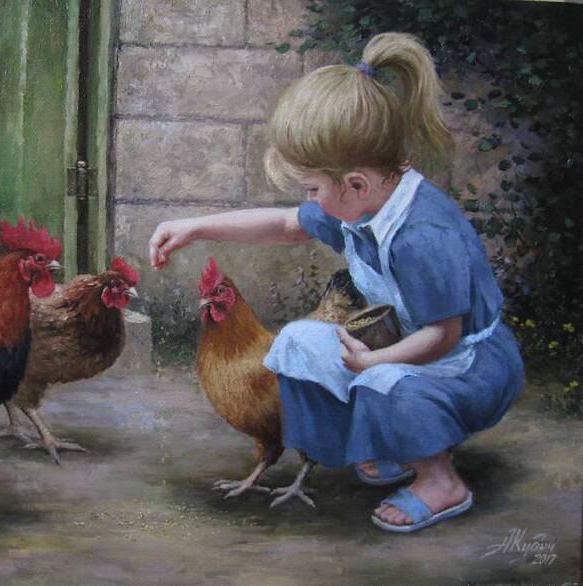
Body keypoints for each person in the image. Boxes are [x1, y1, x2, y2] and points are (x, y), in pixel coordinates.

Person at [147, 32, 524, 533]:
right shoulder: (362, 206)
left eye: (311, 188)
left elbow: (443, 336)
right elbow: (286, 225)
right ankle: (384, 444)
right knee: (297, 343)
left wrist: (373, 363)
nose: (308, 201)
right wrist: (196, 227)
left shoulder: (422, 236)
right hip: (418, 346)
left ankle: (440, 480)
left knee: (380, 381)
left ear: (356, 184)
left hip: (471, 365)